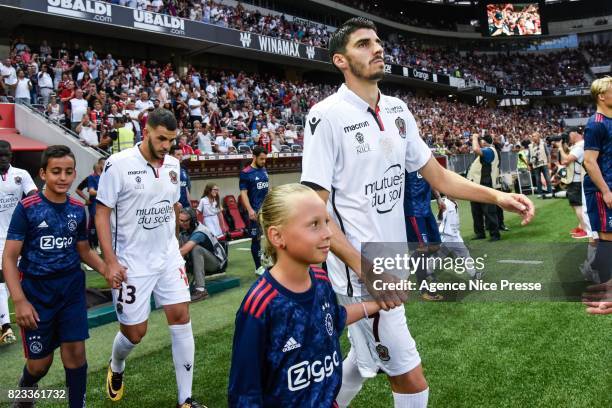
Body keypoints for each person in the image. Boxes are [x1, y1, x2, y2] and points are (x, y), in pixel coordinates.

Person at [300, 18, 533, 408]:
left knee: (360, 362)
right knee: (412, 381)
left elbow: (438, 176)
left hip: (393, 262)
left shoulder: (397, 109)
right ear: (340, 60)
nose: (377, 48)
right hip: (365, 273)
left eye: (377, 41)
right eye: (363, 44)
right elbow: (314, 209)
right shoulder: (326, 116)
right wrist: (366, 268)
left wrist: (497, 197)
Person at [228, 184, 380, 407]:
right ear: (277, 236)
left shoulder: (321, 280)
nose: (328, 233)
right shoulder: (261, 305)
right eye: (314, 225)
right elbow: (244, 394)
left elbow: (332, 319)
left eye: (326, 222)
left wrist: (377, 304)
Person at [96, 109, 203, 408]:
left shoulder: (173, 164)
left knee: (181, 318)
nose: (166, 145)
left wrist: (175, 229)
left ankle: (186, 399)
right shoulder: (117, 165)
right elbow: (102, 213)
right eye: (161, 138)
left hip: (167, 257)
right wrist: (110, 261)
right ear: (146, 131)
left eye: (171, 140)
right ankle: (117, 365)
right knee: (134, 333)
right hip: (132, 263)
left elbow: (172, 202)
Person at [2, 145, 110, 407]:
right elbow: (8, 258)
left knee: (75, 354)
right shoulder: (27, 208)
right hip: (37, 295)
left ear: (74, 175)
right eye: (56, 172)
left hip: (71, 291)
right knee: (40, 365)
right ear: (43, 173)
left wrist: (108, 270)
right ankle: (25, 394)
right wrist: (19, 301)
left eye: (68, 172)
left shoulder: (77, 208)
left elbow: (83, 249)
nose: (62, 177)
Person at [0, 140, 37, 346]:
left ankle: (17, 318)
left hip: (17, 236)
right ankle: (6, 326)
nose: (3, 158)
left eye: (7, 155)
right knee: (1, 281)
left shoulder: (21, 175)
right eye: (0, 155)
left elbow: (33, 196)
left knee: (16, 280)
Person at [582, 76, 612, 287]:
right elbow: (590, 162)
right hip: (603, 190)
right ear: (602, 96)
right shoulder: (595, 124)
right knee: (607, 238)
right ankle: (602, 283)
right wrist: (606, 191)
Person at [404, 170, 444, 301]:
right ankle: (424, 290)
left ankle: (409, 262)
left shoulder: (422, 157)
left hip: (426, 209)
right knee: (422, 250)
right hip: (413, 211)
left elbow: (431, 177)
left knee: (436, 246)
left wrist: (438, 197)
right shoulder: (403, 161)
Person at [178, 209, 228, 301]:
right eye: (181, 221)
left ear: (192, 220)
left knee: (195, 249)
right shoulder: (185, 230)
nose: (183, 223)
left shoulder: (200, 232)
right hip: (205, 258)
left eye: (186, 221)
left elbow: (183, 251)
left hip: (217, 263)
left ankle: (201, 290)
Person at [239, 146, 269, 275]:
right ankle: (258, 267)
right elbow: (243, 194)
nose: (263, 161)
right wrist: (250, 210)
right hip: (255, 212)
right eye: (261, 159)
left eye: (265, 159)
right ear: (254, 157)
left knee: (272, 235)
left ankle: (266, 257)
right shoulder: (246, 173)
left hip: (266, 209)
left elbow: (266, 189)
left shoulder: (264, 170)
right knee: (256, 239)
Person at [467, 133, 501, 241]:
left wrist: (475, 137)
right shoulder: (489, 150)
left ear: (483, 142)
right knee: (476, 210)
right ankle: (479, 233)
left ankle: (494, 234)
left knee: (489, 211)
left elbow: (476, 150)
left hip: (485, 184)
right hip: (477, 184)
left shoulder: (490, 150)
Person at [555, 130, 587, 238]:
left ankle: (586, 229)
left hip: (576, 179)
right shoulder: (578, 146)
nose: (568, 138)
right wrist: (563, 146)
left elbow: (565, 160)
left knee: (578, 205)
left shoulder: (579, 146)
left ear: (573, 133)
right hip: (575, 178)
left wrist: (560, 148)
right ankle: (582, 226)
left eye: (568, 136)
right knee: (576, 205)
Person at [529, 131, 552, 198]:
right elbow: (529, 156)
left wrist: (549, 162)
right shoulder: (530, 146)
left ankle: (550, 192)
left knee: (547, 178)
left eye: (534, 136)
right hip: (535, 165)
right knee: (538, 179)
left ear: (538, 137)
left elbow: (548, 154)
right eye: (532, 136)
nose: (533, 137)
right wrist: (529, 165)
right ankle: (540, 194)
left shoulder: (543, 144)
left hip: (544, 163)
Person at [170, 145, 193, 210]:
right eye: (178, 154)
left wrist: (190, 204)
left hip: (185, 206)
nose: (181, 157)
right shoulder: (167, 170)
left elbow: (186, 189)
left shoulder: (183, 169)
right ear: (171, 156)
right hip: (174, 206)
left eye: (182, 154)